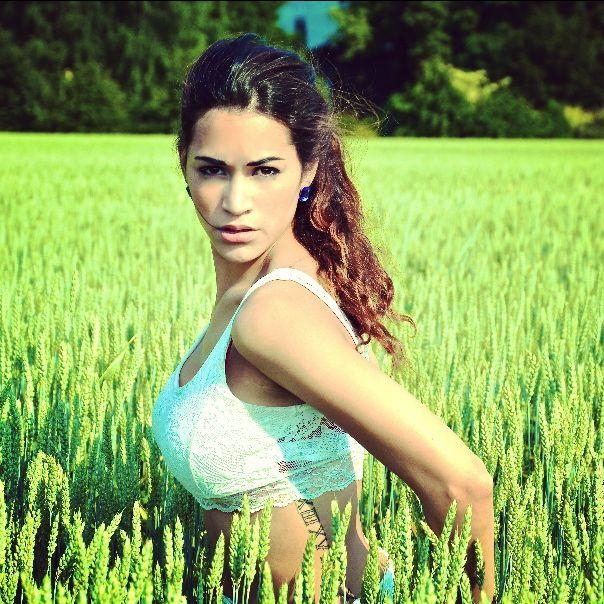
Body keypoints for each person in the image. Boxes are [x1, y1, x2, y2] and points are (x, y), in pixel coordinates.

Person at [151, 33, 495, 604]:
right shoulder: (260, 291)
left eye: (265, 171)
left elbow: (461, 483)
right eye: (212, 169)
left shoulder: (273, 313)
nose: (235, 201)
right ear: (184, 166)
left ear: (308, 169)